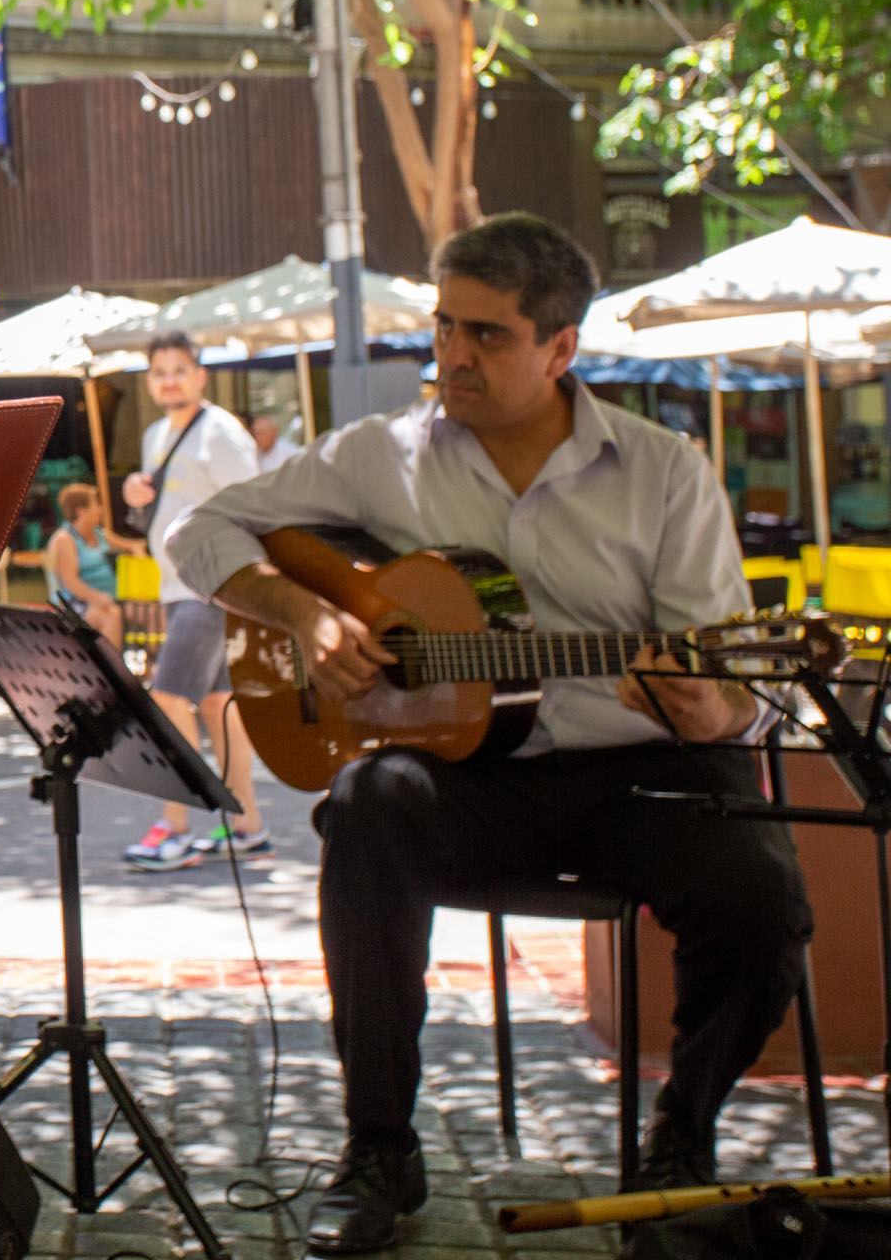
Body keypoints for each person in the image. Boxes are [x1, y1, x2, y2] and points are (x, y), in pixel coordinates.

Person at [169, 213, 807, 1251]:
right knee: (367, 807)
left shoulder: (665, 471)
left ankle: (682, 1140)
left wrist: (713, 705)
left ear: (561, 347)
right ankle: (380, 1145)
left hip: (645, 769)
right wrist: (302, 613)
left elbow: (734, 689)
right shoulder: (380, 454)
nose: (453, 353)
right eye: (445, 325)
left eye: (488, 334)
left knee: (762, 896)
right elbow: (197, 529)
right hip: (476, 777)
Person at [121, 329, 269, 870]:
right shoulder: (157, 434)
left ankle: (176, 825)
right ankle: (247, 825)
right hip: (175, 586)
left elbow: (254, 509)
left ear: (200, 375)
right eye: (160, 373)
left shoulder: (222, 433)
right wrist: (135, 491)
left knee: (167, 697)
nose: (169, 381)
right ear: (149, 381)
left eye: (179, 371)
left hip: (209, 587)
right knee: (215, 704)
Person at [45, 481, 124, 652]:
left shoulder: (99, 534)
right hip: (74, 606)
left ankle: (161, 664)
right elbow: (70, 583)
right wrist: (98, 597)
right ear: (81, 511)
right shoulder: (64, 539)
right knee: (111, 614)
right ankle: (110, 666)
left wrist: (138, 551)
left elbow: (130, 546)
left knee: (152, 612)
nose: (100, 510)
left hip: (112, 598)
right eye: (96, 505)